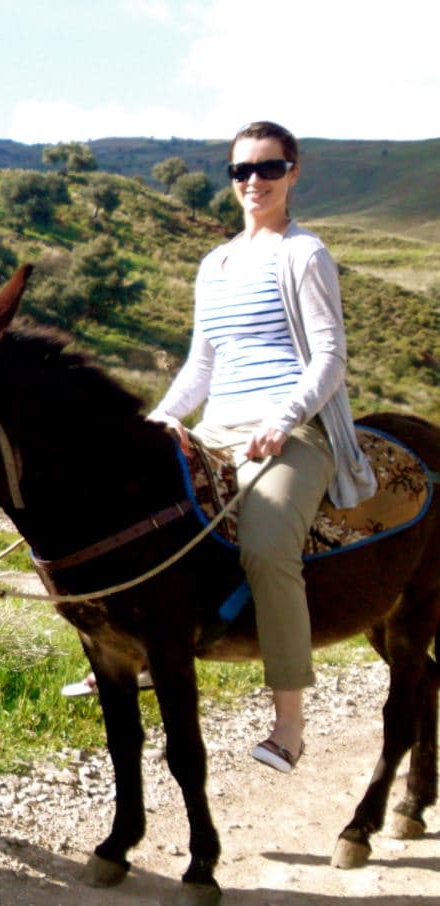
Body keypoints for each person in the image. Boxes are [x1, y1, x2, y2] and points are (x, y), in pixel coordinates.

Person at [146, 120, 375, 772]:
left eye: (269, 168)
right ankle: (141, 651)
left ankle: (290, 724)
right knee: (143, 513)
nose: (254, 181)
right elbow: (202, 365)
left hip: (293, 428)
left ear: (292, 173)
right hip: (217, 426)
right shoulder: (214, 264)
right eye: (242, 170)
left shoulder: (304, 254)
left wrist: (285, 417)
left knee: (268, 543)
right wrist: (162, 418)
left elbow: (329, 357)